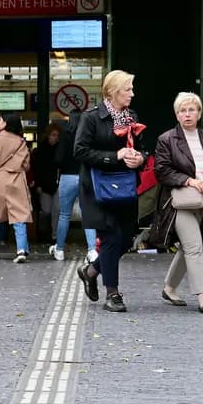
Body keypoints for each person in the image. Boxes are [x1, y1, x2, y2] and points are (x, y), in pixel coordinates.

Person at [74, 70, 145, 313]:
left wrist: (140, 159)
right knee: (112, 237)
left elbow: (143, 150)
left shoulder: (131, 117)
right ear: (113, 91)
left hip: (124, 188)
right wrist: (114, 156)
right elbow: (80, 151)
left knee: (126, 238)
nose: (132, 94)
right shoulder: (91, 118)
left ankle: (91, 270)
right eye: (128, 89)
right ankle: (112, 294)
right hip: (97, 189)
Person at [152, 92, 203, 313]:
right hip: (180, 201)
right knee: (195, 246)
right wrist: (189, 180)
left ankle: (169, 288)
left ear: (199, 113)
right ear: (176, 115)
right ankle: (202, 296)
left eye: (191, 110)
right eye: (182, 110)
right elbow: (161, 171)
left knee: (187, 247)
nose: (187, 114)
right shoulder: (167, 139)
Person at [0, 114, 34, 263]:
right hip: (17, 180)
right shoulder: (21, 142)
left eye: (1, 120)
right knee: (19, 216)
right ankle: (21, 249)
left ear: (6, 123)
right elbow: (26, 165)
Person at [51, 110, 96, 262]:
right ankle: (92, 251)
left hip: (67, 177)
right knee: (88, 214)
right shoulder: (88, 135)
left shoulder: (65, 135)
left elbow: (57, 159)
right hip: (85, 177)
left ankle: (59, 249)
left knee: (64, 215)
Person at [30, 123, 62, 246]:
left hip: (55, 184)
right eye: (53, 135)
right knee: (47, 210)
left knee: (56, 210)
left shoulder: (57, 149)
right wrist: (38, 185)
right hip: (45, 185)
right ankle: (45, 233)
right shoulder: (41, 151)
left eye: (57, 135)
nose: (56, 138)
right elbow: (37, 169)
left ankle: (54, 235)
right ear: (48, 135)